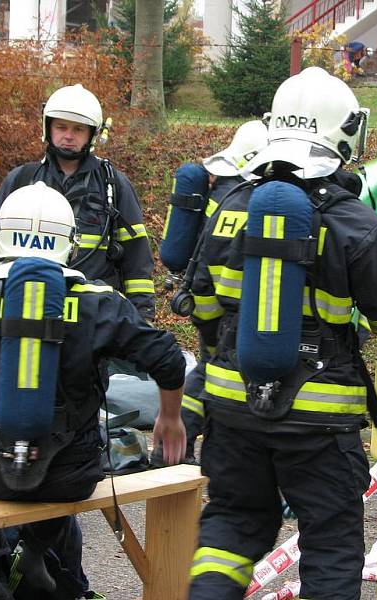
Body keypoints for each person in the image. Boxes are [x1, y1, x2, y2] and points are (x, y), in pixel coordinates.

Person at [186, 66, 377, 600]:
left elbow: (203, 305)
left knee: (232, 525)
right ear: (345, 132)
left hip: (234, 407)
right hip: (320, 421)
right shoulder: (353, 221)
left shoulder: (229, 208)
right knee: (330, 542)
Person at [0, 182, 186, 600]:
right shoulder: (98, 301)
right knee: (74, 463)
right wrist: (169, 416)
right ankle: (35, 550)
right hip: (70, 475)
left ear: (0, 235)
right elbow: (168, 357)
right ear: (70, 243)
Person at [0, 83, 156, 323]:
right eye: (61, 127)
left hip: (94, 317)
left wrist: (142, 319)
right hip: (27, 309)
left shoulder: (113, 185)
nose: (68, 136)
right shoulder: (21, 180)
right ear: (48, 128)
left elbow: (137, 260)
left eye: (78, 129)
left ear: (92, 133)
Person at [154, 119, 269, 467]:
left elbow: (201, 269)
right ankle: (178, 453)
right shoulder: (252, 201)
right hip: (240, 314)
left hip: (209, 308)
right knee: (219, 373)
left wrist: (208, 325)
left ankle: (168, 454)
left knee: (209, 370)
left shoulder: (222, 194)